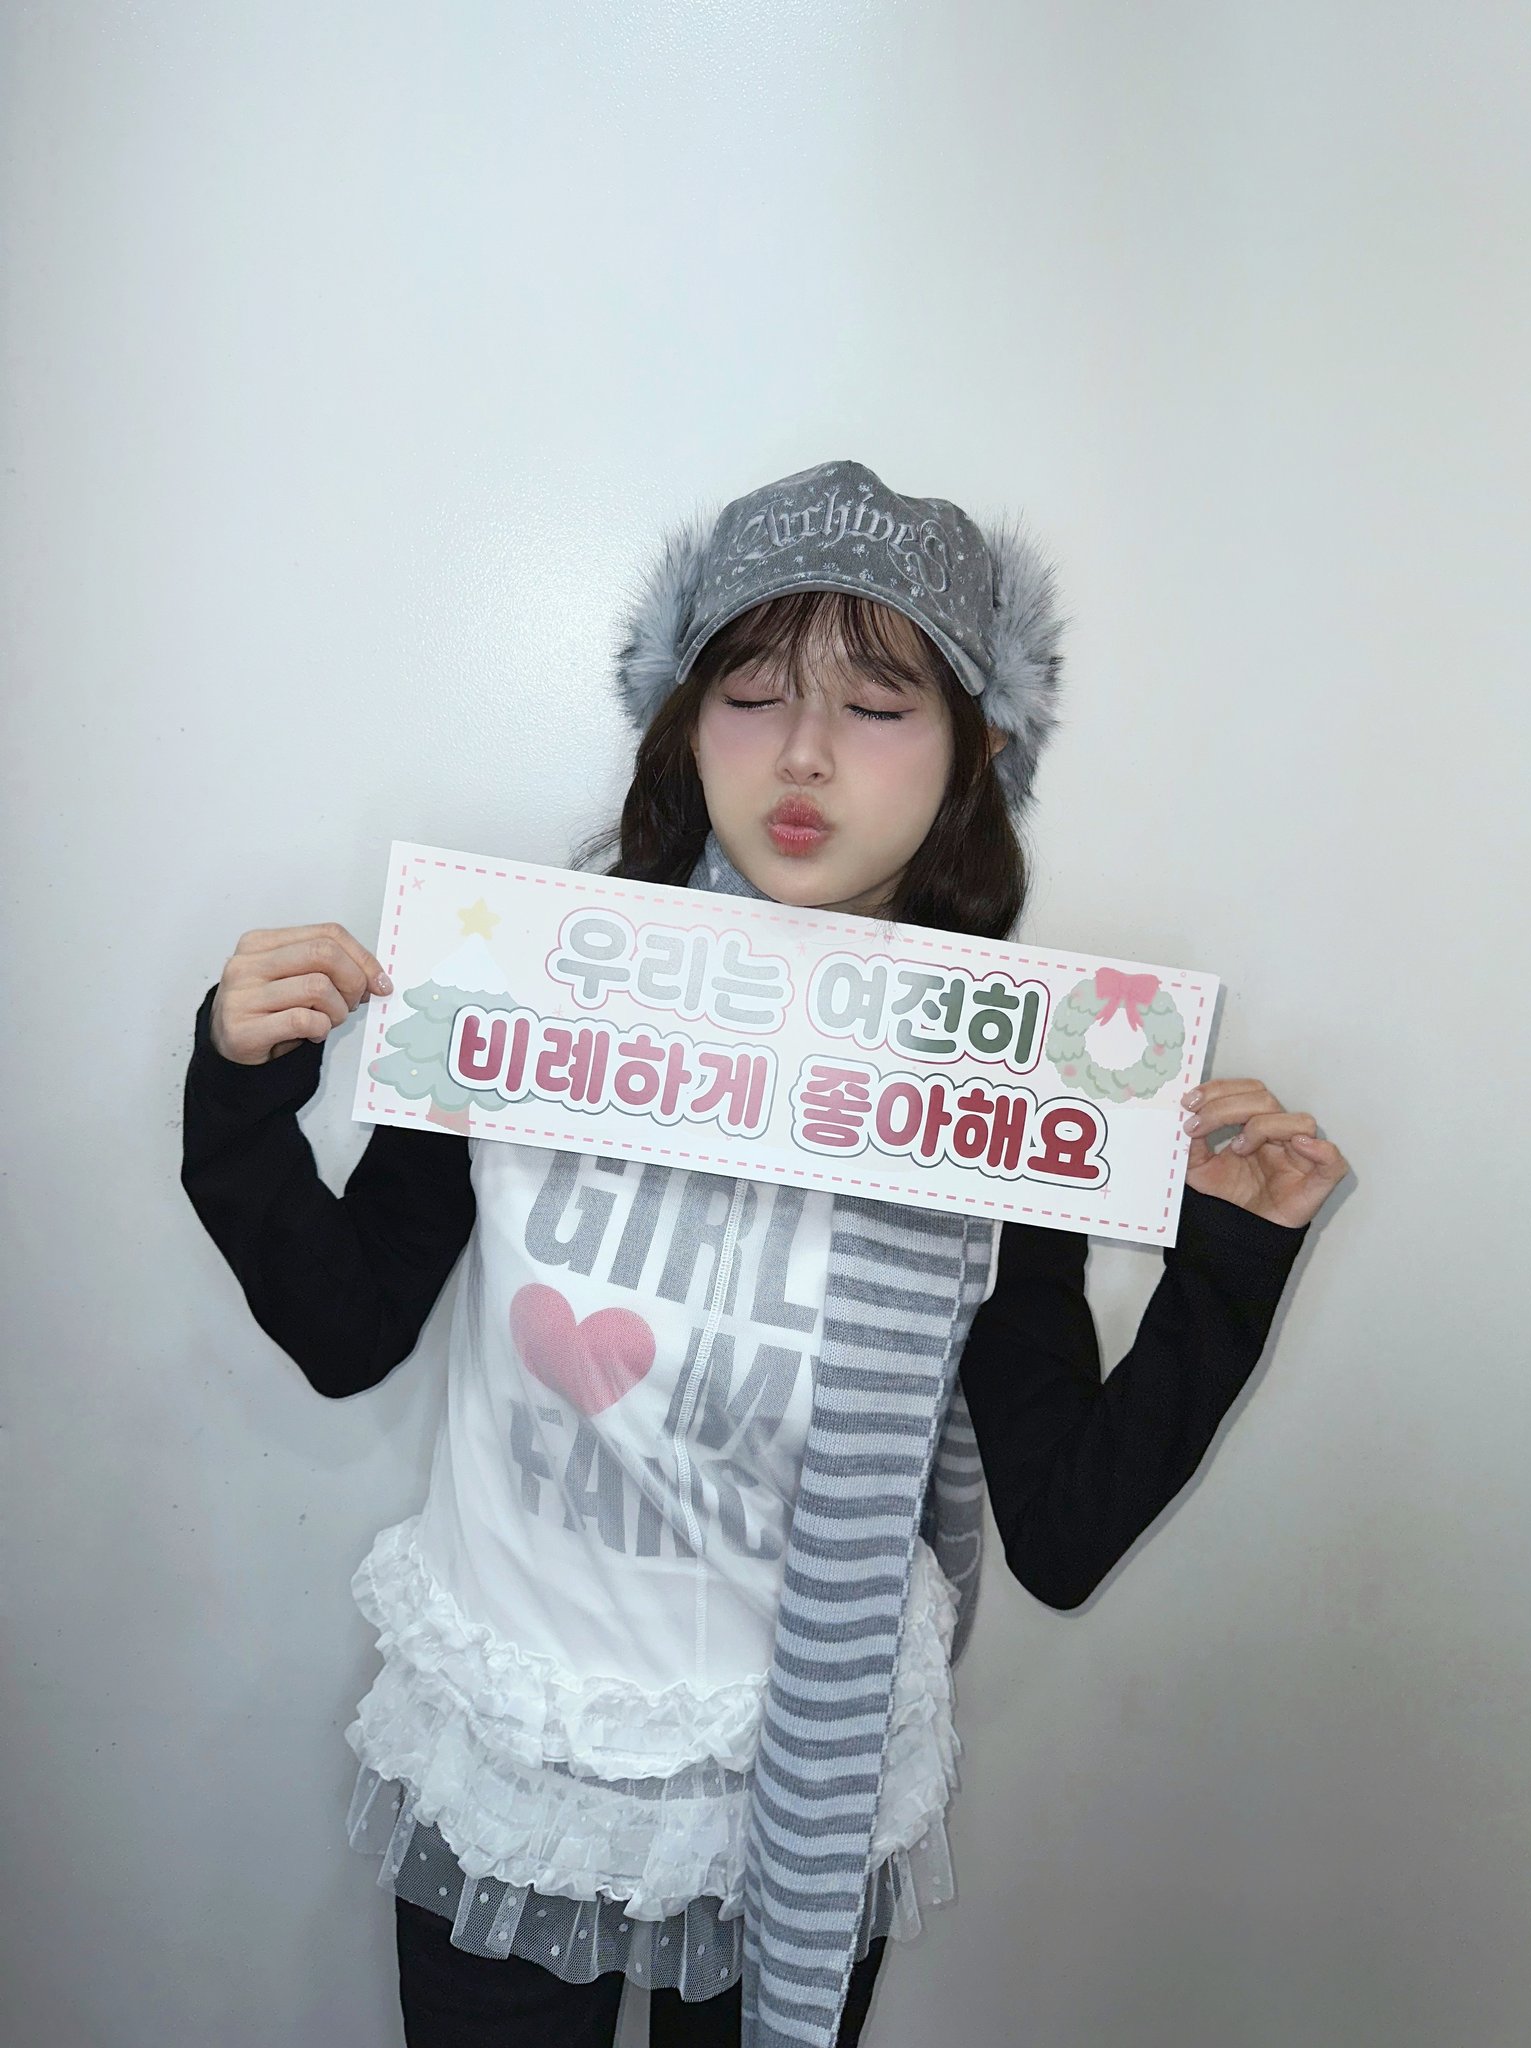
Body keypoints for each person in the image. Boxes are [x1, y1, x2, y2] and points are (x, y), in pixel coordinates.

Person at [180, 459, 1349, 2048]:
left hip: (794, 1794)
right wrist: (241, 1093)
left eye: (877, 704)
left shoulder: (1005, 1091)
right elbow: (345, 1330)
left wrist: (1230, 1261)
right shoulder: (533, 989)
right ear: (682, 721)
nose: (803, 752)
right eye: (749, 693)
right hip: (510, 1756)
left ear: (978, 751)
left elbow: (1063, 1531)